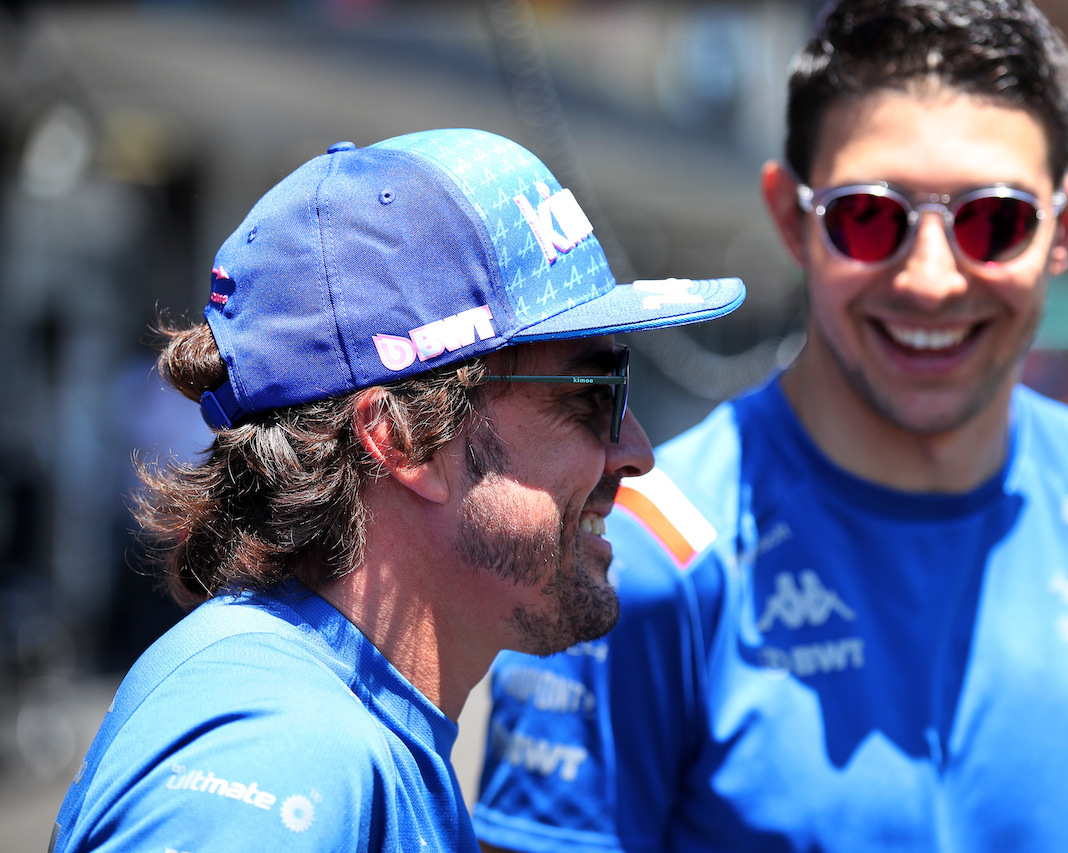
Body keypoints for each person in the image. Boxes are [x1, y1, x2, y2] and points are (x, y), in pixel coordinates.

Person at [473, 2, 1068, 852]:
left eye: (995, 221)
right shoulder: (635, 562)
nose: (934, 279)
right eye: (870, 217)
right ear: (791, 218)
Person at [48, 127, 744, 853]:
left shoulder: (345, 728)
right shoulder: (285, 755)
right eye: (595, 393)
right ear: (402, 438)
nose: (637, 452)